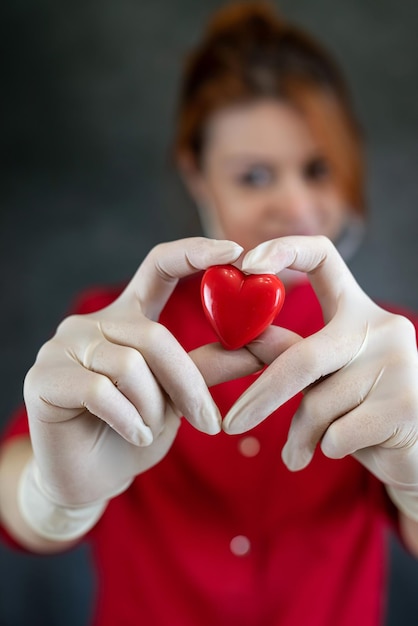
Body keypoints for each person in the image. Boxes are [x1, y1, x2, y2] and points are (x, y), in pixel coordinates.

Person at [1, 2, 417, 625]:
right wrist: (55, 498)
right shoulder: (110, 331)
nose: (297, 204)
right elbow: (17, 504)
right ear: (198, 176)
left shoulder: (395, 349)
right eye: (254, 176)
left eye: (318, 168)